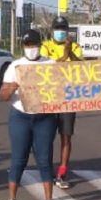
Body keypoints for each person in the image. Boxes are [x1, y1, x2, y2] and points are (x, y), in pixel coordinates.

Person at [0, 29, 59, 200]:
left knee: (45, 158)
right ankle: (11, 199)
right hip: (21, 116)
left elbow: (62, 89)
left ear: (40, 45)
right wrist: (13, 87)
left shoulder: (50, 64)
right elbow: (3, 95)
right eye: (28, 45)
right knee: (18, 158)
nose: (31, 48)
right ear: (23, 46)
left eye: (34, 44)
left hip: (44, 117)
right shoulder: (15, 66)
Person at [40, 15, 83, 189]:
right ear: (52, 31)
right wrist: (64, 55)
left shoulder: (76, 46)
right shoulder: (45, 47)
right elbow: (48, 69)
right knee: (47, 136)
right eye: (57, 29)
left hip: (68, 97)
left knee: (66, 136)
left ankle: (62, 171)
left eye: (63, 29)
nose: (60, 32)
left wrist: (69, 52)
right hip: (49, 97)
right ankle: (47, 170)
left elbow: (81, 66)